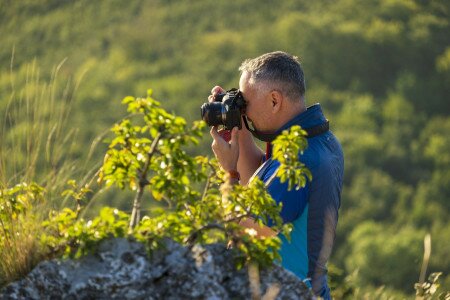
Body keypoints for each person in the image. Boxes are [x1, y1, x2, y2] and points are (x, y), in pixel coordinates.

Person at [208, 51, 344, 299]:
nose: (244, 110)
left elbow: (245, 231)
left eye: (245, 103)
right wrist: (237, 129)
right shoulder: (313, 139)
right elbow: (261, 180)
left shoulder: (299, 159)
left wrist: (229, 173)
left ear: (274, 101)